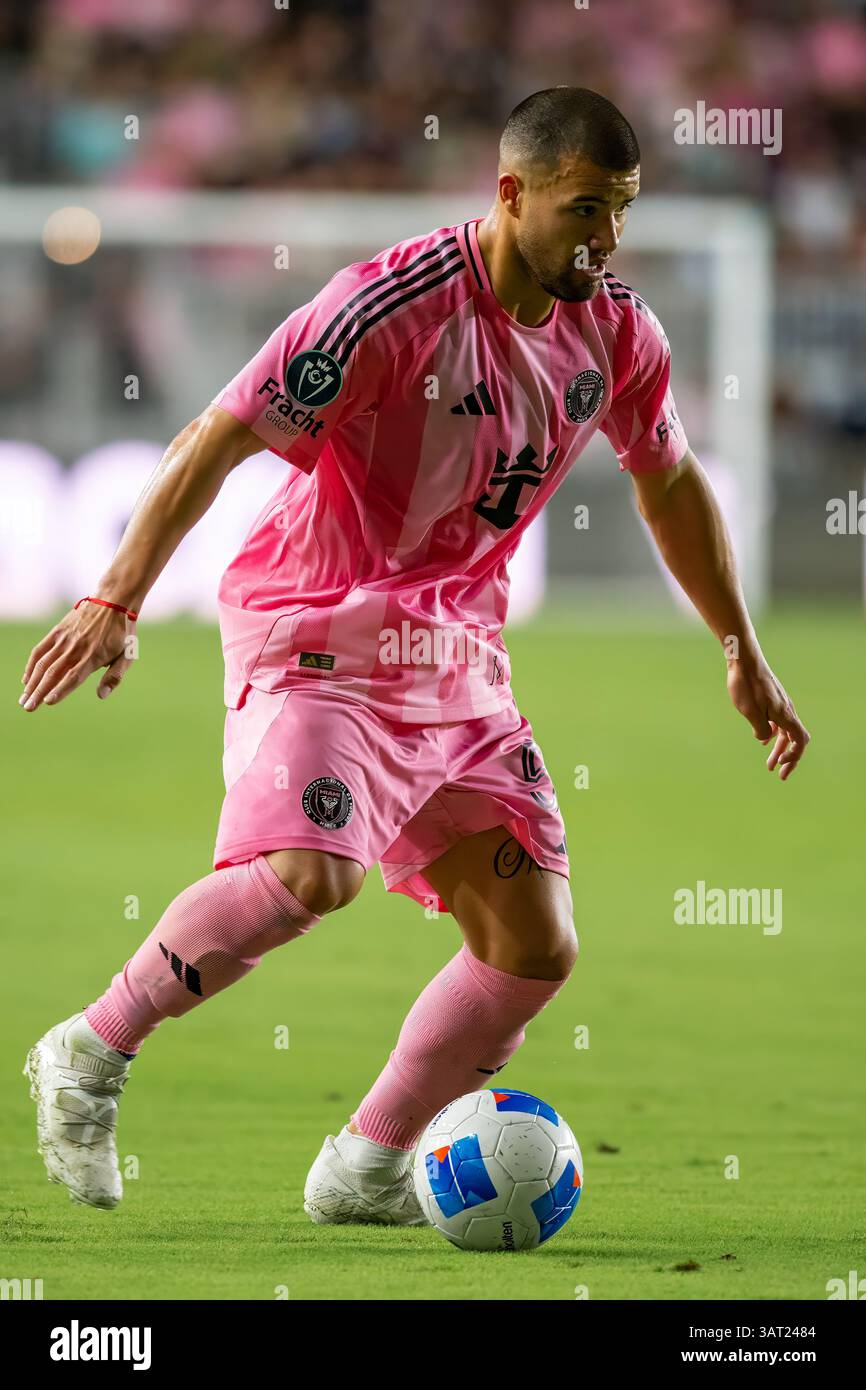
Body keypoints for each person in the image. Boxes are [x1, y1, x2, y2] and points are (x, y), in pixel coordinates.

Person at [21, 87, 809, 1224]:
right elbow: (221, 431)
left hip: (456, 648)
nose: (605, 238)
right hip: (320, 624)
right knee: (312, 874)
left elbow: (668, 479)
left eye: (622, 211)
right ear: (510, 193)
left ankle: (366, 1164)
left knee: (533, 949)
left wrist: (737, 642)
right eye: (584, 208)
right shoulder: (388, 305)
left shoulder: (619, 334)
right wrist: (115, 594)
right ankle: (89, 1053)